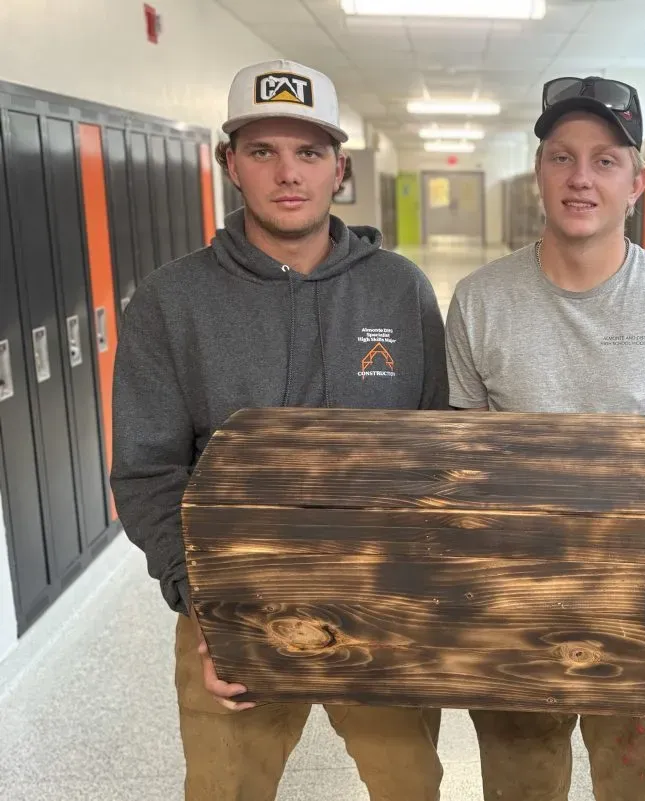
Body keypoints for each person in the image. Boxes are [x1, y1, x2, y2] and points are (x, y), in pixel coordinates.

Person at [110, 59, 446, 801]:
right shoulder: (172, 301)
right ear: (230, 163)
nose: (287, 173)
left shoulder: (400, 289)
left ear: (340, 168)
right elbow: (147, 470)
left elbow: (435, 452)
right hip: (231, 607)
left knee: (412, 785)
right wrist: (208, 603)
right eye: (262, 151)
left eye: (309, 152)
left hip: (379, 606)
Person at [445, 75, 645, 801]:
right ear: (537, 173)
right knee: (520, 786)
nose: (582, 178)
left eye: (605, 160)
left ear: (638, 180)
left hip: (643, 592)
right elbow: (467, 461)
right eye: (562, 157)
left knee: (635, 786)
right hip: (515, 592)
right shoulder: (481, 300)